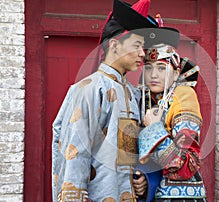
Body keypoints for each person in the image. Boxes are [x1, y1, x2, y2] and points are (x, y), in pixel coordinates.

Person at [51, 0, 159, 201]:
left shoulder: (132, 94)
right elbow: (74, 156)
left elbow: (132, 154)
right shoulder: (89, 89)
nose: (142, 54)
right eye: (137, 46)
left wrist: (141, 178)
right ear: (115, 45)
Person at [132, 27, 207, 202]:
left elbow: (187, 164)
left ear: (175, 73)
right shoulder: (146, 99)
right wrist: (144, 176)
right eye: (149, 68)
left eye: (161, 68)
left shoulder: (183, 96)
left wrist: (154, 128)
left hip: (180, 195)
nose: (153, 75)